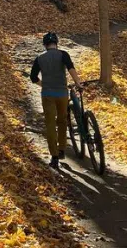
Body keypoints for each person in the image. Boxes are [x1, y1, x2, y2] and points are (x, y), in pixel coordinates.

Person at [30, 32, 84, 169]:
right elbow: (71, 68)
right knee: (62, 121)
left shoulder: (39, 58)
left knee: (50, 124)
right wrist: (77, 83)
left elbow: (33, 77)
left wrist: (44, 84)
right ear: (56, 43)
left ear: (44, 45)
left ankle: (54, 156)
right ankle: (62, 150)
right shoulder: (63, 54)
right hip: (62, 94)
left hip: (48, 94)